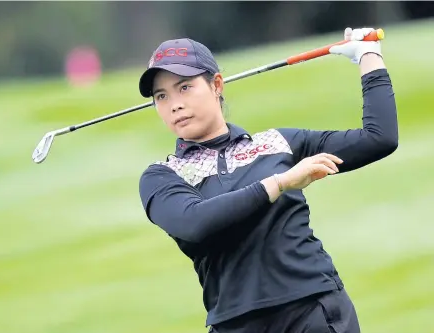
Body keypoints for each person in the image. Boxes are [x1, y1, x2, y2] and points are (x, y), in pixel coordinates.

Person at [137, 27, 398, 333]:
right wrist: (280, 183)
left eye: (184, 88)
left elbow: (378, 139)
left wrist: (369, 56)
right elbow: (195, 222)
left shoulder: (279, 143)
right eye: (161, 96)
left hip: (312, 308)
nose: (174, 105)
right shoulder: (162, 176)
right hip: (235, 324)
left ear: (216, 84)